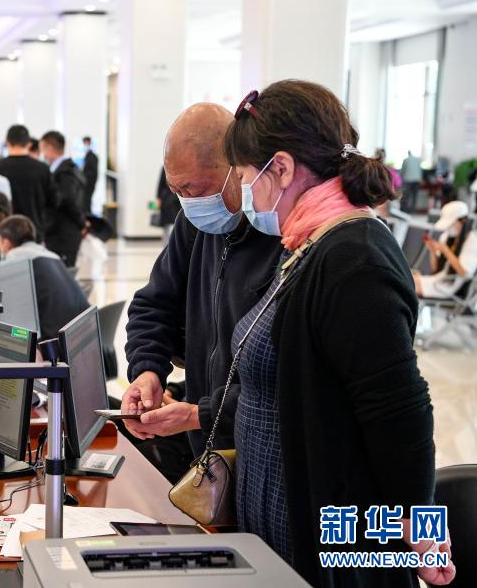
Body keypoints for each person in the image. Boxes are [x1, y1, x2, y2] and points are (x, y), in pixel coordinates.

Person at [221, 80, 445, 586]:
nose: (244, 192)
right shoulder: (310, 241)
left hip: (332, 545)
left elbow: (400, 413)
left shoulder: (354, 257)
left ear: (280, 168)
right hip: (282, 526)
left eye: (245, 176)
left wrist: (423, 531)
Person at [120, 104, 283, 482]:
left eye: (195, 189)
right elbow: (152, 304)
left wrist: (202, 414)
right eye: (176, 191)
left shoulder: (280, 236)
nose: (188, 202)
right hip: (206, 448)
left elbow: (280, 375)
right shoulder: (194, 225)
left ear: (235, 170)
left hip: (260, 449)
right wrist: (147, 370)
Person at [0, 215, 89, 340]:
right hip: (80, 332)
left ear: (6, 243)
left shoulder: (13, 258)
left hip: (53, 341)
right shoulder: (51, 255)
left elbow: (10, 312)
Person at [0, 125, 54, 240]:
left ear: (7, 143)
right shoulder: (42, 169)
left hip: (4, 235)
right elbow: (52, 202)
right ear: (29, 144)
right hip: (34, 232)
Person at [39, 131, 86, 267]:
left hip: (63, 236)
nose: (42, 154)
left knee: (64, 273)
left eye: (43, 149)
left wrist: (82, 223)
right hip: (62, 234)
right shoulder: (66, 168)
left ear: (50, 148)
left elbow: (68, 200)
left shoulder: (64, 173)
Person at [414, 200, 477, 298]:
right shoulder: (447, 237)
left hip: (446, 287)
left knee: (408, 285)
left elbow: (464, 273)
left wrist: (445, 250)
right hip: (437, 280)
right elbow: (436, 269)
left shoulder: (472, 241)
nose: (448, 228)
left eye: (451, 224)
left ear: (463, 221)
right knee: (407, 279)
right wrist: (433, 251)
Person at [156, 167, 182, 241]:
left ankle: (171, 242)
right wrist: (158, 199)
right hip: (168, 200)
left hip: (175, 199)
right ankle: (168, 243)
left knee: (174, 223)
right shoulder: (165, 167)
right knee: (168, 224)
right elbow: (161, 184)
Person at [81, 136, 99, 214]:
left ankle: (88, 217)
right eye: (84, 143)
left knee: (87, 203)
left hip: (89, 184)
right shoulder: (87, 156)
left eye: (86, 143)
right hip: (86, 184)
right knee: (85, 203)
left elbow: (93, 172)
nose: (85, 145)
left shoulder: (93, 157)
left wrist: (83, 175)